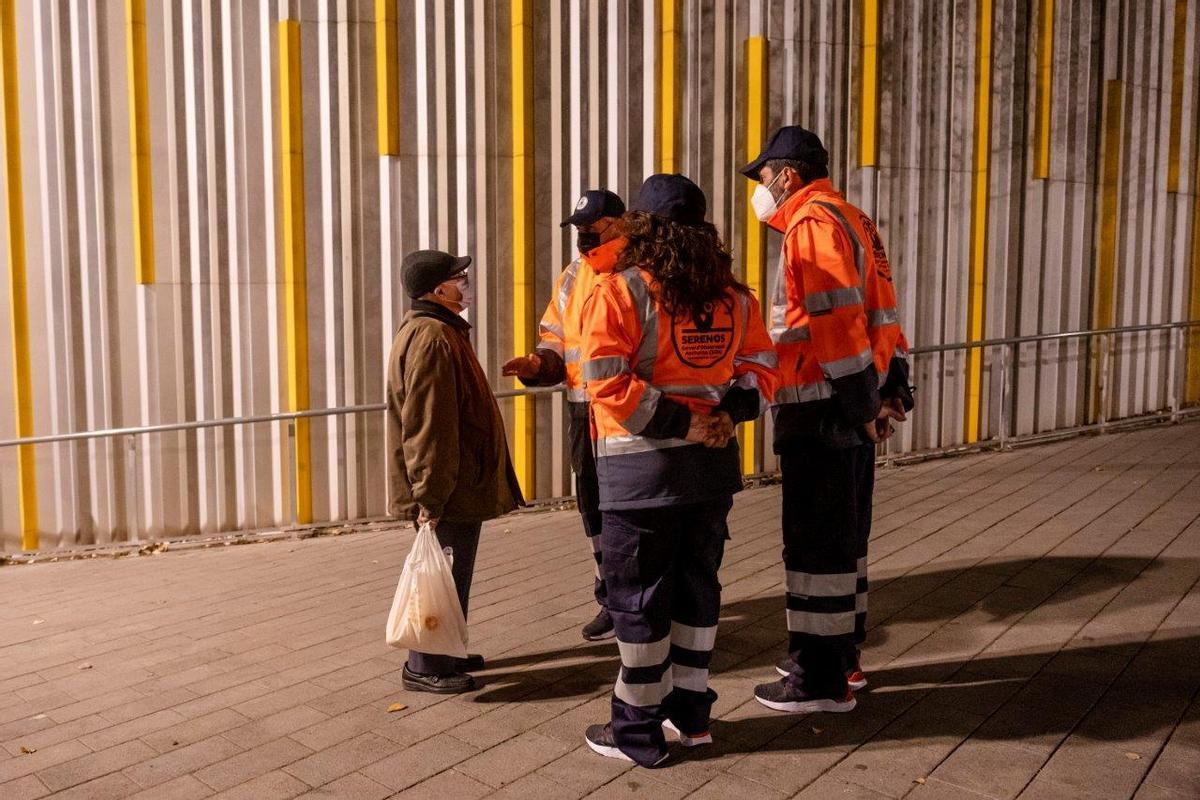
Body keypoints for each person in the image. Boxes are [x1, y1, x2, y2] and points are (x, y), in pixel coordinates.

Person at [579, 174, 778, 766]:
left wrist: (682, 422)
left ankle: (637, 731)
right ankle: (693, 718)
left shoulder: (618, 291)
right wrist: (725, 415)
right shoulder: (737, 299)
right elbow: (763, 370)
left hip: (641, 480)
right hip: (710, 474)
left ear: (641, 226)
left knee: (640, 602)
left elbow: (606, 383)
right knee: (697, 594)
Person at [741, 126, 914, 713]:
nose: (760, 191)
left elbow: (837, 327)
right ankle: (843, 658)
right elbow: (883, 313)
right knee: (845, 540)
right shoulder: (854, 218)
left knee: (816, 546)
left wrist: (865, 408)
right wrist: (890, 393)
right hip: (849, 404)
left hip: (822, 408)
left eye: (764, 178)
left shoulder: (811, 225)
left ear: (787, 175)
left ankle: (818, 679)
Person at [386, 249, 525, 694]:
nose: (465, 281)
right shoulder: (432, 338)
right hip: (447, 488)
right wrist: (429, 497)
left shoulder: (440, 331)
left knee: (450, 573)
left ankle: (445, 649)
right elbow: (430, 426)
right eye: (457, 277)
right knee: (439, 573)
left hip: (455, 482)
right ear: (437, 289)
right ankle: (425, 665)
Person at [502, 189, 626, 642]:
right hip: (583, 410)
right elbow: (555, 337)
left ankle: (639, 596)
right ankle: (610, 595)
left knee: (629, 506)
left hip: (625, 407)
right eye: (577, 229)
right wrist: (539, 365)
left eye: (592, 227)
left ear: (620, 223)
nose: (583, 236)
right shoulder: (574, 274)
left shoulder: (636, 271)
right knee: (592, 504)